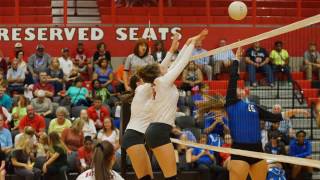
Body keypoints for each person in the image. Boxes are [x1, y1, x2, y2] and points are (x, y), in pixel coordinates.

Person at [203, 49, 288, 180]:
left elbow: (274, 117)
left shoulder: (253, 105)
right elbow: (233, 78)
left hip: (257, 150)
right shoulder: (231, 102)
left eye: (242, 89)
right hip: (240, 151)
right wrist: (236, 60)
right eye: (238, 88)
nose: (240, 89)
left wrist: (292, 112)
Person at [140, 30, 208, 180]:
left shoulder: (161, 80)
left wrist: (189, 42)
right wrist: (192, 42)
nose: (164, 64)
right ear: (158, 72)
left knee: (170, 175)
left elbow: (176, 62)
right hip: (158, 131)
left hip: (157, 130)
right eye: (160, 65)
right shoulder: (163, 81)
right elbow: (182, 63)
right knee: (171, 176)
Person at [122, 35, 180, 180]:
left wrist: (172, 49)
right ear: (140, 82)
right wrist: (172, 50)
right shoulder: (143, 88)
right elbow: (161, 68)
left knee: (147, 177)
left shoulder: (147, 90)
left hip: (137, 135)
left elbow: (159, 70)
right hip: (134, 136)